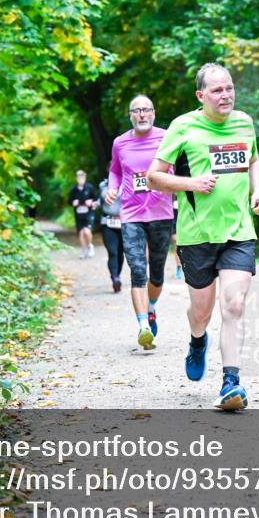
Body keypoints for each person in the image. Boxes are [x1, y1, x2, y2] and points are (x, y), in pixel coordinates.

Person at [148, 63, 259, 411]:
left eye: (229, 88)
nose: (225, 95)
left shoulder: (244, 122)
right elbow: (155, 177)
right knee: (200, 312)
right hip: (196, 234)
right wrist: (192, 184)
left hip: (239, 232)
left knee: (233, 304)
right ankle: (197, 341)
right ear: (201, 96)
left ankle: (231, 382)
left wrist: (256, 192)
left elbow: (254, 160)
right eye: (217, 90)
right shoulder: (183, 127)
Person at [105, 95, 175, 350]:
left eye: (146, 110)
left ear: (154, 113)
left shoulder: (167, 137)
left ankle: (152, 308)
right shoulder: (120, 143)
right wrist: (112, 189)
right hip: (132, 215)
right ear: (130, 115)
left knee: (156, 274)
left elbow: (178, 167)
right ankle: (143, 325)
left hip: (161, 214)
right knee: (137, 270)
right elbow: (115, 171)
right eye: (137, 111)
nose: (142, 115)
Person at [98, 177, 124, 292]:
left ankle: (117, 275)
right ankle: (115, 278)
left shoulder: (128, 181)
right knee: (112, 252)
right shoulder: (103, 185)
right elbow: (99, 200)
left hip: (124, 223)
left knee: (120, 253)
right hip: (108, 223)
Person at [68, 170, 98, 258]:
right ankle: (84, 250)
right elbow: (69, 201)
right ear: (76, 178)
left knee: (87, 231)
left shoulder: (89, 187)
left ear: (85, 178)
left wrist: (91, 201)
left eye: (82, 177)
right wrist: (73, 202)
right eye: (79, 177)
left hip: (88, 213)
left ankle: (90, 246)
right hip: (78, 214)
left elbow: (95, 198)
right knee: (81, 233)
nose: (81, 179)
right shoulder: (73, 190)